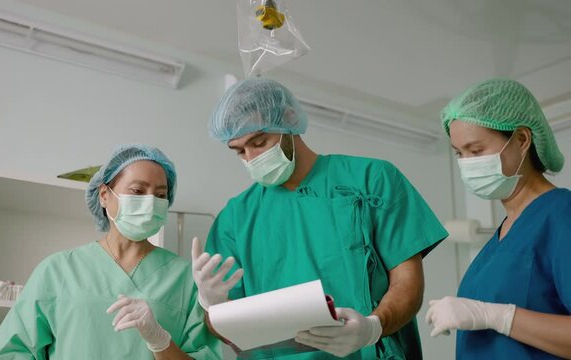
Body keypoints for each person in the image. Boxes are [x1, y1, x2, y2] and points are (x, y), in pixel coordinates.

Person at [191, 77, 448, 359]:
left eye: (259, 142)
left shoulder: (372, 179)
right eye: (240, 150)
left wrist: (373, 328)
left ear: (289, 119)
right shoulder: (235, 218)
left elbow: (407, 284)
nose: (251, 158)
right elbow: (226, 333)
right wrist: (212, 306)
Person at [0, 145, 221, 359]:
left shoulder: (186, 278)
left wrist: (160, 341)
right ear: (105, 196)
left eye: (160, 195)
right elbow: (11, 352)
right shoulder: (57, 270)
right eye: (138, 191)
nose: (150, 202)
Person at [426, 78, 571, 359]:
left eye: (476, 150)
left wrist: (497, 316)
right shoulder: (502, 235)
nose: (467, 163)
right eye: (459, 154)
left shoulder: (561, 214)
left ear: (521, 140)